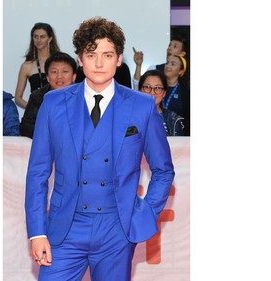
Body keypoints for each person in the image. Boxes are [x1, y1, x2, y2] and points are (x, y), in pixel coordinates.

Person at [25, 17, 175, 281]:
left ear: (119, 59)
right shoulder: (54, 103)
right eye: (91, 54)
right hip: (65, 229)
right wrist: (37, 232)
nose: (98, 63)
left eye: (107, 55)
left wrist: (145, 212)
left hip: (116, 231)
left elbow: (163, 170)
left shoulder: (142, 106)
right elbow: (37, 173)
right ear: (80, 59)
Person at [20, 52, 77, 138]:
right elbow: (26, 128)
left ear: (74, 77)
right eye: (54, 72)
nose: (59, 76)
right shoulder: (38, 97)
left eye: (65, 71)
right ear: (47, 78)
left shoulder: (83, 96)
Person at [14, 23, 60, 109]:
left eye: (42, 37)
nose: (38, 40)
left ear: (50, 38)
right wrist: (32, 108)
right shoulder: (26, 66)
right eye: (35, 37)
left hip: (57, 111)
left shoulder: (60, 63)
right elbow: (17, 98)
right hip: (35, 116)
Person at [138, 70, 184, 136]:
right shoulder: (129, 117)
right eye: (147, 87)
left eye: (157, 88)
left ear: (164, 93)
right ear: (140, 91)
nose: (152, 92)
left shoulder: (173, 119)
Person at [163, 54, 190, 136]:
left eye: (173, 64)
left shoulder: (186, 92)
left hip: (179, 137)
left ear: (180, 71)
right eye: (167, 63)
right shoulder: (157, 87)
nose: (168, 66)